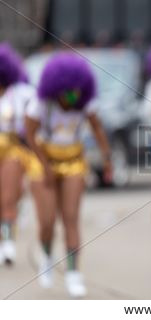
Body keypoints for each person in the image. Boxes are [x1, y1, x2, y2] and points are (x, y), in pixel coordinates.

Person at [25, 52, 112, 298]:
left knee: (71, 218)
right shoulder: (41, 103)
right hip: (44, 162)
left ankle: (74, 273)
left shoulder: (84, 103)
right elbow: (30, 135)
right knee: (47, 222)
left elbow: (97, 129)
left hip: (74, 162)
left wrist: (107, 159)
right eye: (68, 91)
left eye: (77, 90)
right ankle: (46, 256)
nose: (73, 95)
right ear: (57, 87)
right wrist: (46, 166)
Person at [0, 43, 35, 265]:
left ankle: (8, 243)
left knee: (8, 197)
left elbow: (32, 125)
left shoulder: (21, 94)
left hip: (12, 150)